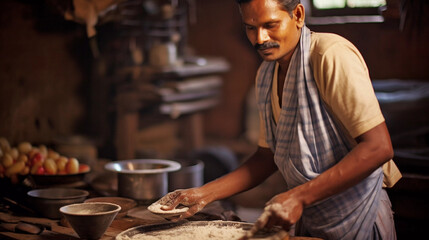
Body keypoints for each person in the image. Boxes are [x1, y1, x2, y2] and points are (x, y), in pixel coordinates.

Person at [157, 0, 401, 239]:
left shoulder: (329, 54)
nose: (260, 39)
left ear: (297, 15)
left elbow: (378, 147)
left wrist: (298, 196)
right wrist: (202, 194)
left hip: (360, 215)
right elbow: (267, 156)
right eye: (250, 28)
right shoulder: (266, 74)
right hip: (310, 218)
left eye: (270, 24)